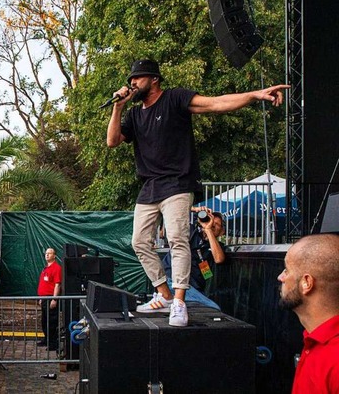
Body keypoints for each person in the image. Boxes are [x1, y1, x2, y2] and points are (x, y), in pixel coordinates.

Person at [107, 58, 288, 327]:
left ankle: (179, 301)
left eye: (138, 78)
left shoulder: (174, 99)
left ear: (154, 79)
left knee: (178, 239)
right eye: (131, 79)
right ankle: (164, 294)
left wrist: (254, 95)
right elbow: (112, 141)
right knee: (139, 241)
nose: (132, 83)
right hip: (149, 186)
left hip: (177, 183)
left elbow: (215, 103)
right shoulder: (134, 114)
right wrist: (118, 107)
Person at [278, 234, 339, 394]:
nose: (280, 277)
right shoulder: (314, 341)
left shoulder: (335, 360)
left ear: (307, 283)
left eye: (287, 270)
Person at [161, 206, 225, 309]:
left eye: (217, 224)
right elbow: (173, 209)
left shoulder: (216, 247)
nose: (213, 224)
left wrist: (208, 230)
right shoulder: (190, 231)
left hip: (193, 288)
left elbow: (219, 259)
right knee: (213, 308)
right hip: (172, 280)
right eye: (211, 221)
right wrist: (194, 209)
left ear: (222, 231)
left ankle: (170, 304)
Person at [37, 248, 62, 350]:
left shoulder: (56, 268)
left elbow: (57, 284)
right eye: (46, 253)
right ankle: (46, 339)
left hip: (50, 298)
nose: (47, 255)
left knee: (52, 322)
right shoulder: (46, 268)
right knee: (44, 321)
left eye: (49, 253)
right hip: (44, 298)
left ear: (54, 255)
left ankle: (53, 344)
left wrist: (54, 299)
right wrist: (41, 298)